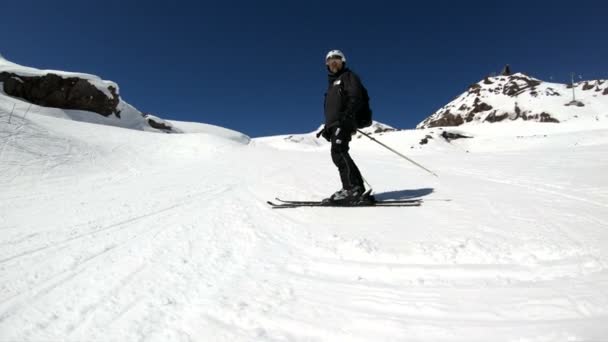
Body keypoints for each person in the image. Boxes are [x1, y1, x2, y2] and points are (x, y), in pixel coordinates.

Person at [319, 49, 370, 204]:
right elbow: (333, 109)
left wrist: (347, 117)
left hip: (345, 121)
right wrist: (328, 127)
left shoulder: (348, 77)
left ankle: (351, 188)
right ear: (327, 64)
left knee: (338, 152)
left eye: (337, 59)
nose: (333, 62)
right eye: (330, 60)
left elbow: (356, 97)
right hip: (336, 124)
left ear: (343, 62)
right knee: (339, 152)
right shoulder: (332, 86)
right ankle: (356, 188)